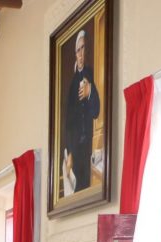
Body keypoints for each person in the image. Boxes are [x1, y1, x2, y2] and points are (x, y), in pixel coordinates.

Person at [63, 29, 100, 194]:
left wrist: (90, 92)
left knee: (88, 187)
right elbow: (68, 123)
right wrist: (70, 152)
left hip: (89, 145)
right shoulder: (72, 84)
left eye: (83, 48)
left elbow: (96, 111)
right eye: (78, 50)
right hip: (76, 147)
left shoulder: (92, 74)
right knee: (78, 189)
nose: (80, 53)